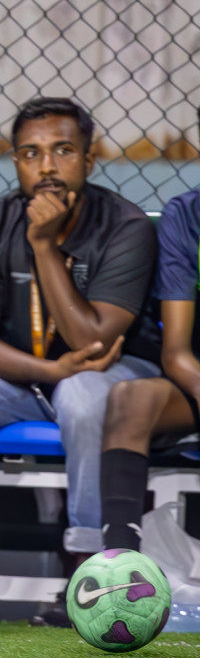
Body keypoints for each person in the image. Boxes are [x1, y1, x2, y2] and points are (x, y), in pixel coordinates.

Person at [0, 97, 161, 625]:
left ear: (88, 159)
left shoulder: (127, 227)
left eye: (63, 151)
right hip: (30, 374)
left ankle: (88, 577)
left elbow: (91, 340)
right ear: (15, 161)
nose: (46, 167)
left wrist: (43, 246)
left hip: (115, 375)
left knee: (88, 395)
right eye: (30, 153)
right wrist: (48, 371)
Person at [100, 185, 200, 552]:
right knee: (130, 399)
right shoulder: (187, 214)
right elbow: (177, 353)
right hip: (195, 384)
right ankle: (120, 567)